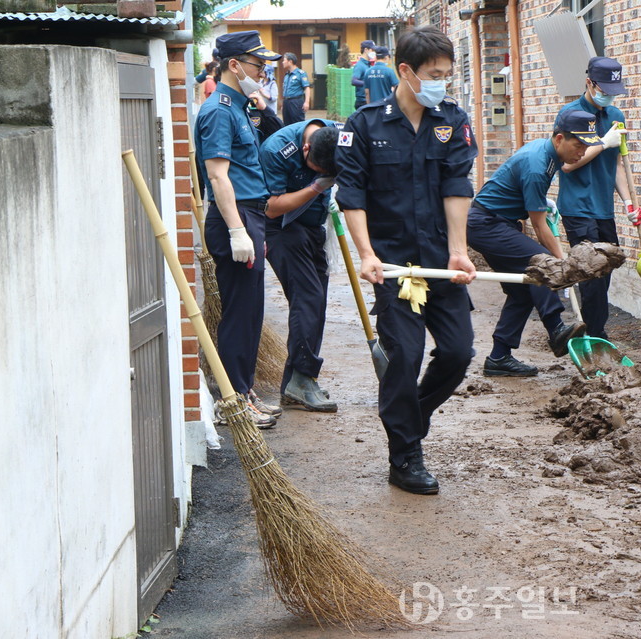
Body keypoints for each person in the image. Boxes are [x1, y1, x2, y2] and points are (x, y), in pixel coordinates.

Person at [335, 26, 478, 495]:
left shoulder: (452, 122)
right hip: (394, 266)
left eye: (446, 75)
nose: (442, 83)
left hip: (439, 260)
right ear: (405, 71)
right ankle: (405, 456)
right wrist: (366, 254)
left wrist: (459, 250)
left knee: (457, 353)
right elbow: (351, 196)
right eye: (434, 74)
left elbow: (457, 187)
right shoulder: (365, 126)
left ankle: (409, 416)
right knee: (406, 355)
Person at [194, 31, 282, 427]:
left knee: (249, 312)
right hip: (236, 216)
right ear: (234, 64)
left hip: (250, 216)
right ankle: (232, 400)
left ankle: (243, 392)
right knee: (238, 313)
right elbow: (217, 175)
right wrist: (236, 230)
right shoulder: (218, 110)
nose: (261, 73)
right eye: (257, 65)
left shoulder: (239, 106)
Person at [466, 110, 596, 377]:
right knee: (543, 265)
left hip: (496, 222)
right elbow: (539, 227)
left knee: (522, 290)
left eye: (586, 145)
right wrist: (562, 263)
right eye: (578, 144)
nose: (582, 152)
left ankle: (499, 357)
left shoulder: (549, 154)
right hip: (486, 224)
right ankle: (556, 328)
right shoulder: (539, 164)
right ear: (560, 139)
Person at [259, 119, 340, 413]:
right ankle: (303, 378)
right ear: (305, 148)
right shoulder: (277, 149)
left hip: (312, 226)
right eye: (316, 170)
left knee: (317, 300)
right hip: (280, 227)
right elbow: (270, 206)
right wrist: (316, 187)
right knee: (308, 296)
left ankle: (297, 382)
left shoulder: (339, 138)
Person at [556, 56, 638, 341]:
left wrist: (627, 202)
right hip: (577, 206)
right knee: (591, 273)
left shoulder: (616, 117)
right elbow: (567, 164)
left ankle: (594, 329)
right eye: (603, 89)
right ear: (589, 83)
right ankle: (594, 335)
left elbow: (616, 165)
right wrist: (603, 143)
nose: (608, 96)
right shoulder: (569, 115)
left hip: (604, 208)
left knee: (606, 269)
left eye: (613, 91)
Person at [280, 52, 310, 125]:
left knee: (297, 123)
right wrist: (283, 104)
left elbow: (306, 88)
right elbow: (285, 89)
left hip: (296, 101)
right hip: (287, 102)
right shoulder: (287, 75)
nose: (282, 62)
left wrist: (307, 102)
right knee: (286, 124)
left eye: (284, 60)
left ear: (290, 61)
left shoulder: (300, 73)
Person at [350, 39, 376, 110]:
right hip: (362, 101)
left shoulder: (369, 65)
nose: (373, 52)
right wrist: (368, 83)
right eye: (372, 50)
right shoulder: (360, 65)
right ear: (366, 50)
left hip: (370, 99)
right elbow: (354, 81)